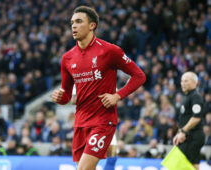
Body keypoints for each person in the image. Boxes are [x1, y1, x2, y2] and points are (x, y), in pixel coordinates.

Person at [51, 6, 146, 170]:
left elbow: (139, 76)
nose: (73, 26)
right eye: (72, 22)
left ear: (92, 25)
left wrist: (117, 95)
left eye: (79, 22)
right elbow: (66, 95)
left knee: (83, 169)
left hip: (103, 121)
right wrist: (61, 98)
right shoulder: (67, 58)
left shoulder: (109, 51)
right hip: (80, 122)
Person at [173, 72, 205, 170]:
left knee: (180, 165)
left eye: (186, 81)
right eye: (182, 81)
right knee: (193, 166)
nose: (183, 83)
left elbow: (196, 117)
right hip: (188, 135)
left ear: (195, 82)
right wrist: (179, 133)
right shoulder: (186, 96)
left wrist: (183, 131)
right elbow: (185, 119)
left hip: (193, 136)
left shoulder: (196, 96)